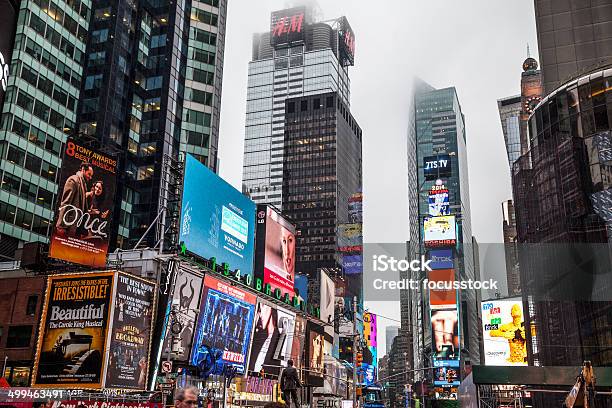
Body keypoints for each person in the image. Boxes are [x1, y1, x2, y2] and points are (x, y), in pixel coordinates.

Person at [56, 162, 94, 234]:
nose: (90, 177)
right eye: (89, 174)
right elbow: (65, 203)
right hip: (67, 226)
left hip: (75, 227)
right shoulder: (73, 180)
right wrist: (61, 226)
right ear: (83, 170)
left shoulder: (83, 184)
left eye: (91, 175)